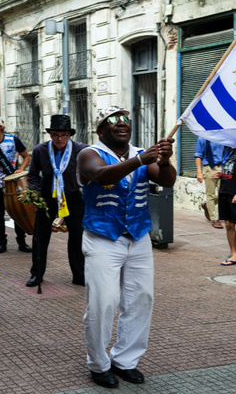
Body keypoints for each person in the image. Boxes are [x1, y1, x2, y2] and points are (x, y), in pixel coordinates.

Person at [78, 106, 176, 388]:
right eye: (113, 120)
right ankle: (98, 364)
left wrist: (166, 161)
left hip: (139, 237)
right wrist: (141, 159)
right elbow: (102, 176)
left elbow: (166, 181)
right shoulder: (89, 154)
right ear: (100, 130)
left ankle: (125, 360)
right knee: (103, 302)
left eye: (125, 120)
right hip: (102, 238)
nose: (122, 124)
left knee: (141, 299)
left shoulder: (141, 152)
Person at [25, 114, 87, 288]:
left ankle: (79, 274)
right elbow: (33, 176)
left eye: (64, 135)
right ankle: (36, 274)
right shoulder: (40, 150)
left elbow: (91, 171)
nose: (59, 139)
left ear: (69, 135)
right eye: (55, 135)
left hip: (73, 197)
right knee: (40, 237)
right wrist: (36, 195)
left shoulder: (81, 150)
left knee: (77, 236)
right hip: (47, 197)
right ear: (50, 135)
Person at [0, 114, 32, 253]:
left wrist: (20, 169)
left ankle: (22, 242)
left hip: (14, 184)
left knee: (18, 212)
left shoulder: (13, 140)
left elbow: (26, 156)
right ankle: (1, 243)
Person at [194, 137, 224, 229]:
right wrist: (199, 172)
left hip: (222, 167)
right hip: (209, 167)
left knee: (223, 194)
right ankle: (214, 219)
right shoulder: (202, 138)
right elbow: (198, 155)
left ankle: (208, 205)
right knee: (210, 194)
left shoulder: (223, 137)